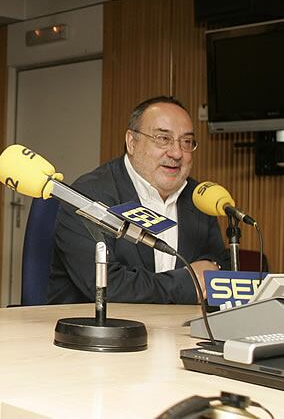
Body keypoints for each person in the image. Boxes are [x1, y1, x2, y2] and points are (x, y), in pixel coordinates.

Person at [47, 96, 227, 305]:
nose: (177, 153)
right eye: (163, 139)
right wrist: (187, 284)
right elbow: (106, 286)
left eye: (186, 142)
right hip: (99, 331)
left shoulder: (200, 199)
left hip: (182, 331)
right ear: (132, 143)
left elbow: (218, 267)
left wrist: (214, 269)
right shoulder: (89, 196)